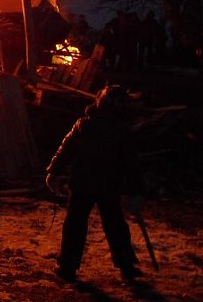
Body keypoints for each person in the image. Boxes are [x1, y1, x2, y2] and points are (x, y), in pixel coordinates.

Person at [45, 84, 145, 282]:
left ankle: (67, 266)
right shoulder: (121, 130)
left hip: (83, 182)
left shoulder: (85, 125)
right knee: (114, 224)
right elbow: (132, 164)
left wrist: (53, 172)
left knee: (76, 224)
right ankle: (126, 265)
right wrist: (136, 191)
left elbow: (65, 150)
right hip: (108, 184)